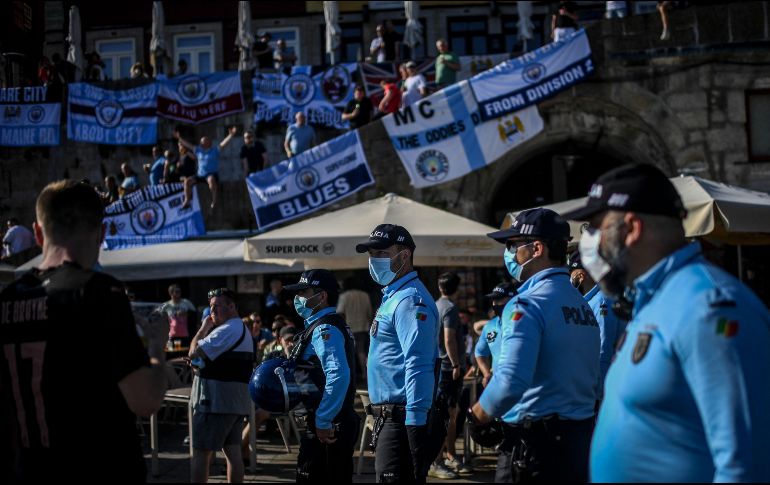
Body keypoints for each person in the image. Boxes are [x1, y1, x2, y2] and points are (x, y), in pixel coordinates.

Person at [560, 163, 770, 482]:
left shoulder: (708, 307)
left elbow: (746, 463)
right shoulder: (653, 300)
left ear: (631, 228)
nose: (587, 242)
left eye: (595, 227)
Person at [0, 180, 168, 482]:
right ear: (102, 233)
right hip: (98, 467)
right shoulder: (99, 292)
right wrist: (157, 346)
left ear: (37, 233)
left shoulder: (7, 300)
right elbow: (146, 401)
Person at [469, 207, 600, 483]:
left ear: (536, 248)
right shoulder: (581, 304)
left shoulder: (527, 304)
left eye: (512, 245)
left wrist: (477, 414)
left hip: (535, 444)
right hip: (580, 439)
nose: (509, 254)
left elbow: (510, 380)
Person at [355, 224, 443, 482]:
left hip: (402, 420)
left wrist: (415, 427)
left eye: (381, 253)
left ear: (404, 256)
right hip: (389, 418)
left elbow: (419, 364)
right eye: (371, 254)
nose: (374, 260)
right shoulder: (393, 296)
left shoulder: (409, 300)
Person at [283, 269, 360, 482]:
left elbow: (338, 374)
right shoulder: (323, 325)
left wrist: (323, 420)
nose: (297, 299)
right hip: (329, 422)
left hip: (328, 426)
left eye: (303, 292)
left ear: (322, 296)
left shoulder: (325, 328)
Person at [188, 287, 254, 483]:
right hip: (232, 402)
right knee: (233, 452)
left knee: (201, 452)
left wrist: (202, 329)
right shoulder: (239, 328)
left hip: (216, 402)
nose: (212, 312)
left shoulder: (228, 329)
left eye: (217, 306)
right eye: (210, 307)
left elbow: (194, 352)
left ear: (232, 306)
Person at [567, 250, 627, 404]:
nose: (569, 278)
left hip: (602, 389)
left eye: (571, 273)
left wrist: (597, 394)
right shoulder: (588, 300)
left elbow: (603, 349)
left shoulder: (602, 301)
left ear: (581, 275)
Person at [430, 272, 471, 479]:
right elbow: (449, 339)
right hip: (448, 366)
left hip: (438, 365)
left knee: (447, 414)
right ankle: (438, 460)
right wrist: (456, 363)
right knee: (448, 415)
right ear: (456, 289)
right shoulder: (451, 308)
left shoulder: (435, 305)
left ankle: (449, 455)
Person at [175, 126, 237, 211]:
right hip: (200, 175)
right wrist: (179, 138)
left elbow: (223, 143)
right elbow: (188, 145)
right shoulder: (198, 150)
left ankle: (214, 200)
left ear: (209, 142)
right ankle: (187, 200)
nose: (201, 142)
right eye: (201, 141)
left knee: (211, 180)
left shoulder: (215, 150)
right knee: (187, 181)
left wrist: (231, 135)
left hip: (211, 174)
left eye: (203, 141)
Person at [474, 282, 518, 388]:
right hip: (498, 386)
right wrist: (486, 374)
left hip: (523, 386)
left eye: (499, 299)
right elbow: (480, 352)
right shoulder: (490, 326)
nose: (495, 303)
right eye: (494, 300)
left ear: (513, 300)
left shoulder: (524, 322)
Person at [337, 277, 374, 384]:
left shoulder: (344, 296)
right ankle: (365, 374)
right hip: (363, 328)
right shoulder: (365, 295)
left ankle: (351, 375)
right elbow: (370, 313)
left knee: (349, 352)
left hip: (349, 328)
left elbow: (340, 312)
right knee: (362, 352)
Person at [176, 142, 198, 207]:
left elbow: (195, 158)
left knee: (187, 181)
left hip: (192, 175)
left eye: (181, 145)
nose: (180, 147)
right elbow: (178, 170)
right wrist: (178, 166)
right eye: (179, 146)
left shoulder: (188, 153)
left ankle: (187, 200)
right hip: (183, 176)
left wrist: (186, 151)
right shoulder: (180, 156)